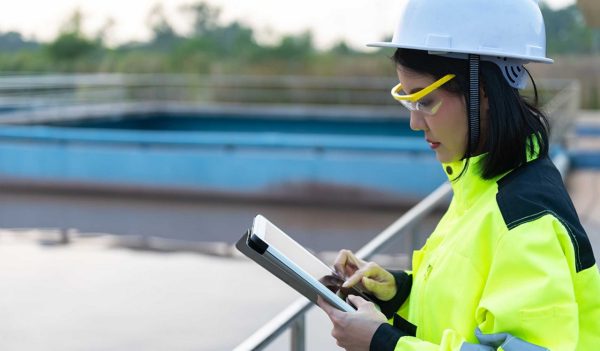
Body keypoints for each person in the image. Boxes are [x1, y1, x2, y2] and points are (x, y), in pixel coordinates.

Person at [317, 0, 600, 350]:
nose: (414, 121)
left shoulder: (524, 221)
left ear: (481, 93)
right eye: (407, 100)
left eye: (425, 101)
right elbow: (467, 308)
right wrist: (397, 292)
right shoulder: (483, 187)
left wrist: (385, 344)